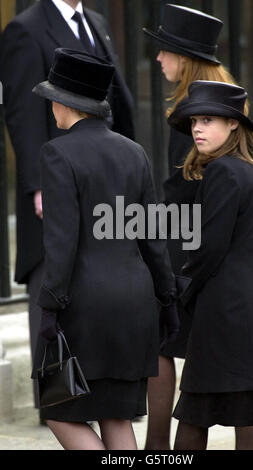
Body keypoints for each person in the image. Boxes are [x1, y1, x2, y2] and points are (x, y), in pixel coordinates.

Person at [31, 47, 179, 450]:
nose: (51, 109)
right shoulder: (135, 153)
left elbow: (61, 243)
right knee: (116, 417)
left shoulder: (57, 152)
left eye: (52, 100)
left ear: (64, 103)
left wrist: (49, 307)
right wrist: (167, 300)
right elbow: (153, 237)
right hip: (135, 304)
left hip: (84, 308)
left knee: (58, 412)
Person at [0, 0, 134, 413]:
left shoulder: (95, 22)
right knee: (51, 275)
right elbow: (22, 113)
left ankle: (100, 388)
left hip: (106, 181)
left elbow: (117, 101)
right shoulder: (25, 28)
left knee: (96, 274)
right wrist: (40, 187)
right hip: (56, 183)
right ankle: (57, 397)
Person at [143, 4, 253, 450]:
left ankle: (155, 448)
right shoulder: (227, 97)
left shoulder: (197, 109)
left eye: (163, 51)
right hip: (218, 241)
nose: (157, 60)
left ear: (183, 57)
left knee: (164, 342)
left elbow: (186, 186)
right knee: (233, 360)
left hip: (192, 243)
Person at [166, 80, 253, 450]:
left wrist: (177, 290)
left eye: (207, 120)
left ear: (234, 123)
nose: (197, 129)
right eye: (193, 122)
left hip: (230, 318)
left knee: (195, 413)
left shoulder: (224, 171)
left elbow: (208, 249)